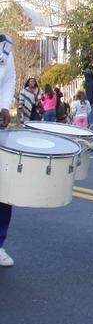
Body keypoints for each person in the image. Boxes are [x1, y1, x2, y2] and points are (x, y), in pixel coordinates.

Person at [0, 34, 19, 266]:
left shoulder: (4, 48)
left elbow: (9, 79)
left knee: (3, 187)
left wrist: (5, 105)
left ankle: (0, 243)